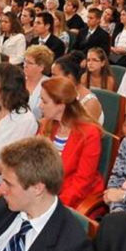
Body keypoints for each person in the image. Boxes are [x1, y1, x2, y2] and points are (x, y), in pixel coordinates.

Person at [37, 77, 102, 208]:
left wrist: (53, 207)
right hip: (46, 191)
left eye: (44, 101)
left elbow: (82, 182)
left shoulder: (89, 134)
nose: (40, 105)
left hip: (73, 199)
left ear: (61, 105)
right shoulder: (46, 124)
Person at [52, 54, 104, 125]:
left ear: (69, 77)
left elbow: (84, 130)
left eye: (54, 75)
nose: (51, 79)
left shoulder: (90, 103)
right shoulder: (59, 94)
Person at [23, 45, 53, 120]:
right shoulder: (18, 80)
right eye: (25, 61)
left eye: (30, 63)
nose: (25, 65)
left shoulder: (49, 84)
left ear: (41, 67)